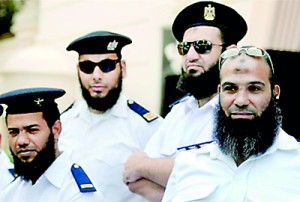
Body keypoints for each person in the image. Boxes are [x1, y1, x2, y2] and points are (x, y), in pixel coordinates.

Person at [123, 1, 248, 201]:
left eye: (202, 47)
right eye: (184, 47)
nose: (191, 55)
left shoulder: (242, 111)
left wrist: (143, 166)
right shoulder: (178, 113)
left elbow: (218, 179)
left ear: (229, 52)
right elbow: (134, 181)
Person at [162, 46, 300, 201]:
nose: (241, 101)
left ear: (275, 93)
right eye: (231, 89)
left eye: (254, 88)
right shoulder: (188, 163)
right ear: (220, 92)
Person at [59, 31, 163, 201]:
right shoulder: (62, 124)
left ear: (123, 68)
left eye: (106, 66)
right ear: (78, 70)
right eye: (87, 67)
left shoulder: (149, 127)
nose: (96, 76)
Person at [0, 87, 103, 202]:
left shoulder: (75, 193)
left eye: (32, 130)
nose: (21, 141)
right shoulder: (13, 191)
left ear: (56, 129)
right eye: (14, 132)